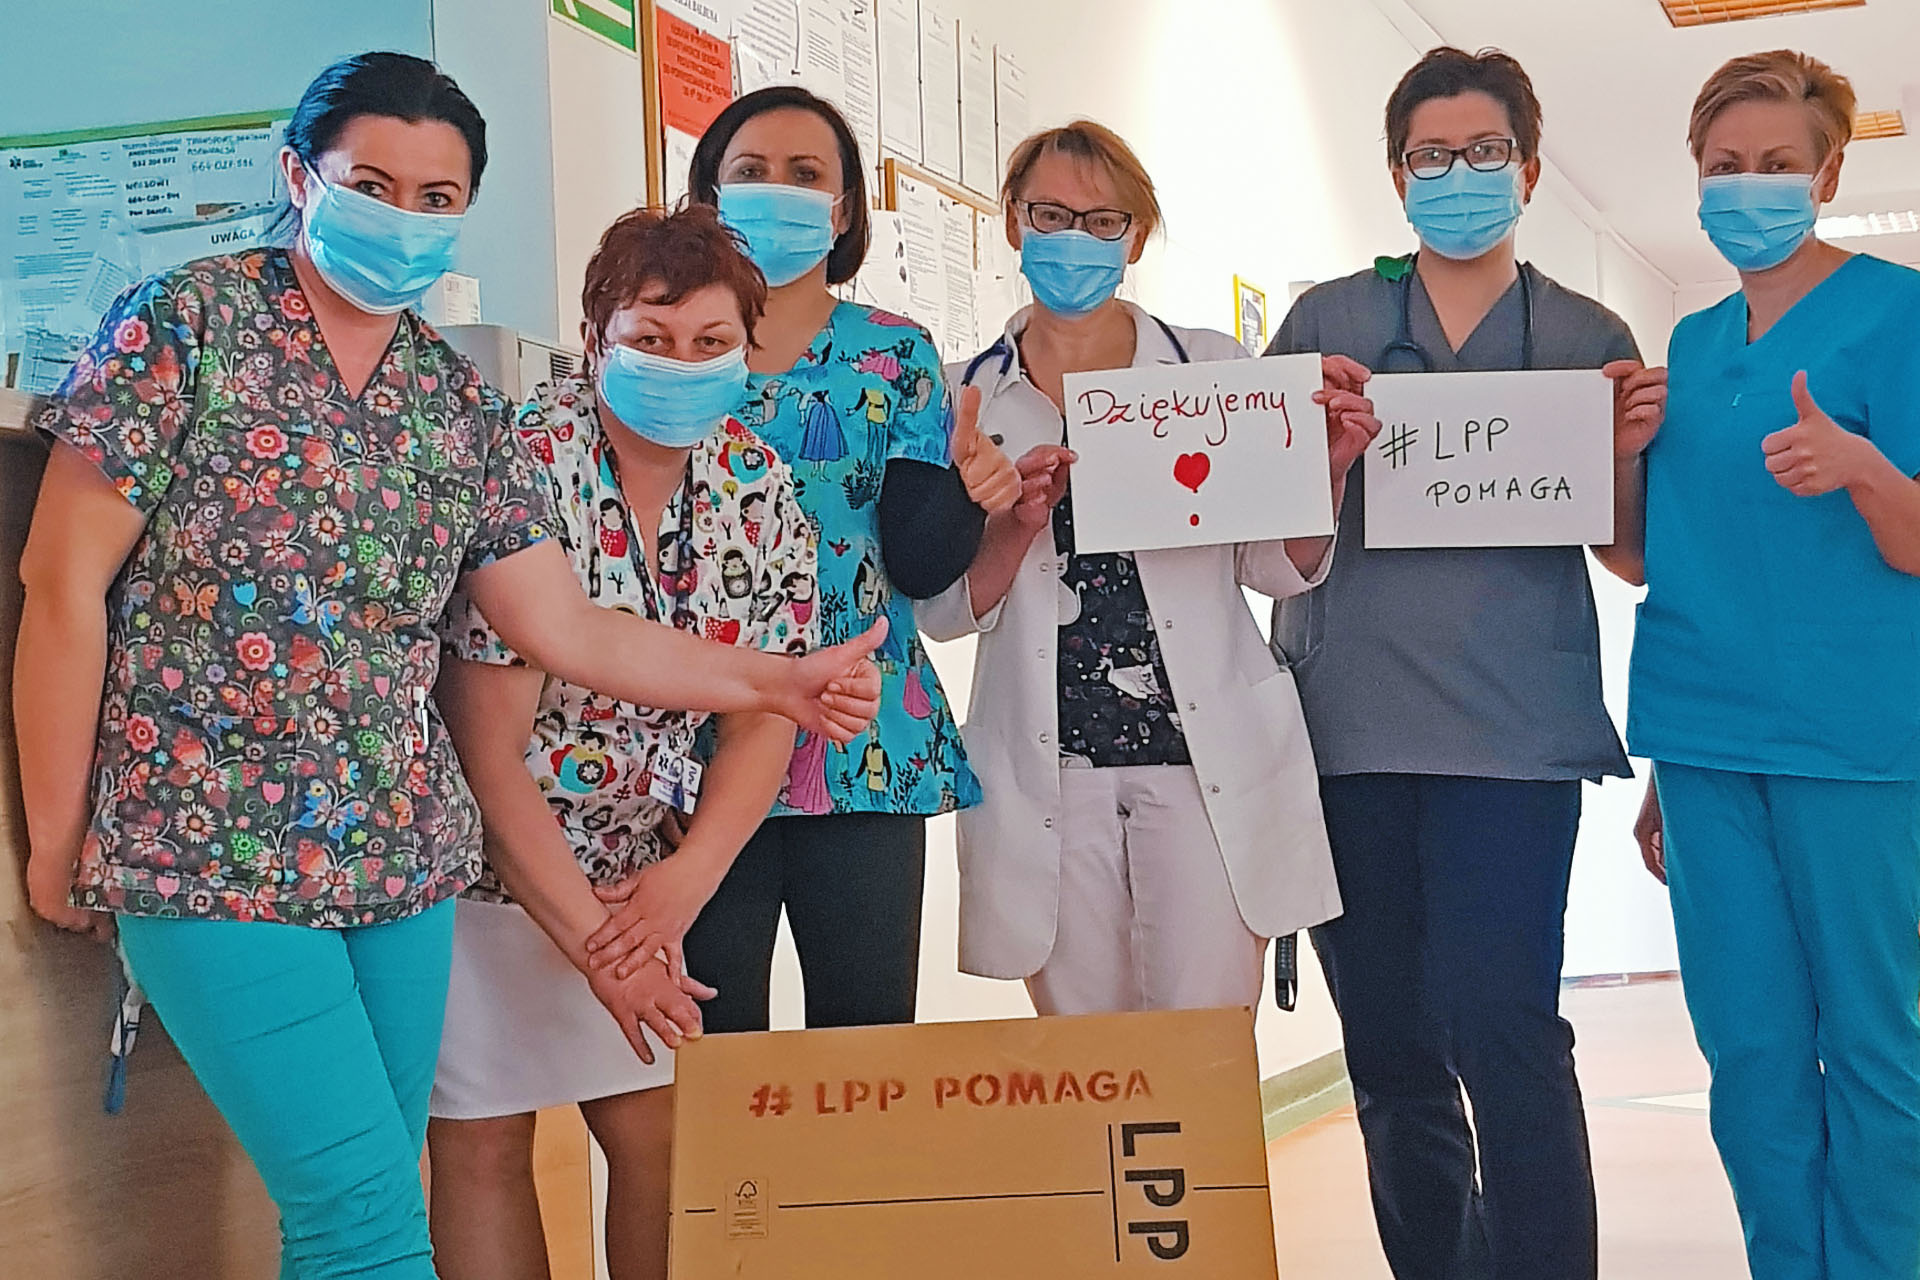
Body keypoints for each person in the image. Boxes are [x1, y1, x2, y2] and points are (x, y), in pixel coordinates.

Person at [15, 54, 880, 1280]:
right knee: (365, 1216)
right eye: (372, 185)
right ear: (298, 177)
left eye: (436, 197)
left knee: (366, 1212)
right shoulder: (187, 324)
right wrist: (61, 832)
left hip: (404, 857)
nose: (403, 219)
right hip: (208, 842)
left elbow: (565, 626)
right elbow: (60, 587)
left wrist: (771, 683)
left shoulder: (453, 401)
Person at [1262, 48, 1666, 1280]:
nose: (1457, 174)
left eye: (1484, 152)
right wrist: (1318, 454)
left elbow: (1630, 555)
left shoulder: (1586, 336)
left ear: (1529, 170)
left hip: (1513, 741)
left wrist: (1621, 449)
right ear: (1397, 175)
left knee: (1508, 1032)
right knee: (1390, 1048)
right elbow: (1266, 542)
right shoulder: (1326, 326)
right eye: (1430, 155)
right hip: (1349, 735)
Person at [424, 205, 815, 1280]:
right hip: (485, 867)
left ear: (747, 351)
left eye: (709, 342)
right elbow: (485, 752)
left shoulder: (756, 481)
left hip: (639, 876)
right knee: (484, 1140)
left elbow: (766, 708)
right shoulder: (526, 464)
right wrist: (602, 942)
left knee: (663, 1134)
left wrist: (685, 882)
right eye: (651, 338)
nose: (680, 363)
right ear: (595, 336)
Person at [918, 121, 1379, 1016]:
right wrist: (1012, 529)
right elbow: (940, 612)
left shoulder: (1211, 370)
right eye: (1051, 214)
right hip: (1051, 771)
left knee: (1204, 1057)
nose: (1076, 238)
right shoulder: (958, 395)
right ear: (1012, 222)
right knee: (1091, 1068)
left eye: (1104, 220)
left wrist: (1322, 475)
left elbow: (1273, 569)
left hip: (1205, 766)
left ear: (1135, 238)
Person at [590, 85, 1018, 1034]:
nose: (776, 189)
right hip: (692, 738)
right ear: (707, 195)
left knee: (865, 1048)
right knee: (712, 1045)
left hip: (862, 736)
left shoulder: (894, 354)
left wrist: (964, 486)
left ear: (845, 208)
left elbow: (919, 565)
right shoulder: (665, 353)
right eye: (750, 171)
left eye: (805, 173)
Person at [1611, 50, 1920, 1280]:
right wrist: (1621, 455)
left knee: (1876, 1044)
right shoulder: (1690, 345)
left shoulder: (1899, 314)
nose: (1749, 186)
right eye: (1725, 166)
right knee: (1748, 1051)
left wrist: (1866, 468)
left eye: (1777, 164)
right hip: (1703, 740)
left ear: (1828, 173)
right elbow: (1660, 557)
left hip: (1854, 742)